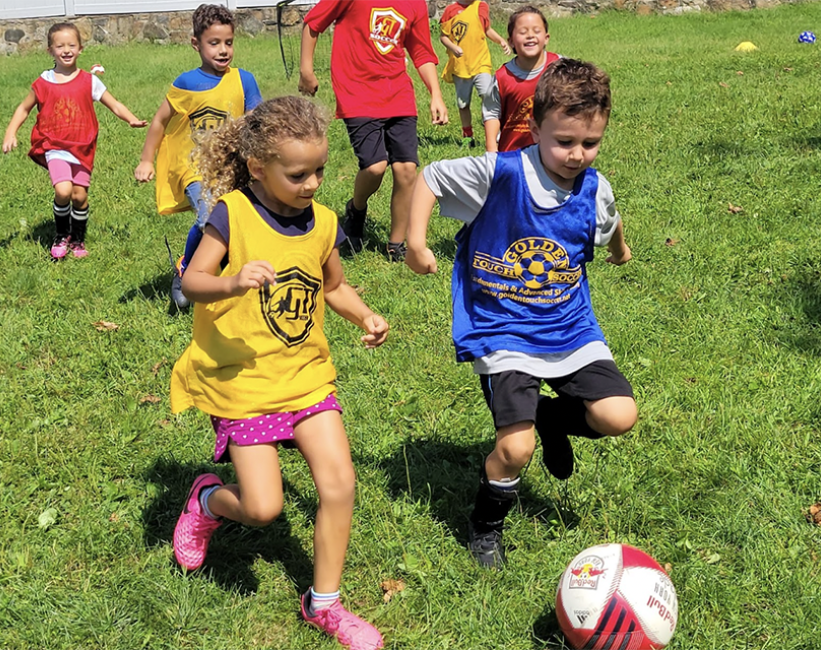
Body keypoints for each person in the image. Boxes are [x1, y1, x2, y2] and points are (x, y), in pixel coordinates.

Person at [170, 96, 388, 650]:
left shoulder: (325, 222)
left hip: (307, 374)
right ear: (259, 166)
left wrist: (363, 312)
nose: (314, 183)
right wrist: (232, 280)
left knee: (339, 485)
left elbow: (333, 284)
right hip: (244, 381)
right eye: (299, 174)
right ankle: (206, 501)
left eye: (320, 169)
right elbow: (192, 283)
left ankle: (324, 605)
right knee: (263, 508)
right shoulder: (232, 214)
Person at [405, 59, 637, 568]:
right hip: (501, 328)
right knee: (514, 450)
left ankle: (551, 417)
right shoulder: (501, 173)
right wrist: (416, 243)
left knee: (619, 415)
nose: (578, 154)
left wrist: (619, 249)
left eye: (591, 143)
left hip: (569, 324)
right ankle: (485, 527)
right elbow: (430, 178)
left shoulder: (594, 187)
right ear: (534, 127)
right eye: (565, 141)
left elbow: (610, 217)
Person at [298, 0, 449, 262]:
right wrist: (306, 71)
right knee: (375, 166)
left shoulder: (415, 4)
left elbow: (421, 52)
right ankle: (356, 210)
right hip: (356, 92)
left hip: (399, 94)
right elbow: (313, 23)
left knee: (406, 170)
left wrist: (436, 94)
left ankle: (396, 243)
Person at [135, 4, 262, 311]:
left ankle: (225, 278)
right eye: (214, 43)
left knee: (235, 222)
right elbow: (159, 122)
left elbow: (258, 121)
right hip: (194, 168)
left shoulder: (244, 81)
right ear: (196, 43)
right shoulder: (186, 83)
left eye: (228, 42)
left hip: (232, 169)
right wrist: (146, 160)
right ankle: (187, 270)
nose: (223, 50)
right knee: (209, 218)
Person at [2, 22, 146, 260]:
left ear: (80, 49)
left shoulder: (90, 81)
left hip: (83, 147)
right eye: (60, 46)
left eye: (71, 45)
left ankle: (77, 239)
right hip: (54, 145)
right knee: (63, 189)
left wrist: (130, 119)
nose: (66, 50)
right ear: (50, 51)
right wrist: (10, 132)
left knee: (79, 197)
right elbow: (23, 108)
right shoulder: (43, 82)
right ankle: (61, 235)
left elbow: (114, 103)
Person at [483, 5, 559, 153]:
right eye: (523, 32)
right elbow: (491, 113)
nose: (530, 35)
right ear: (511, 41)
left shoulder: (560, 67)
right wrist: (492, 149)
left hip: (552, 153)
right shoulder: (502, 77)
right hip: (512, 155)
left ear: (546, 38)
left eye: (536, 31)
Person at [439, 0, 510, 148]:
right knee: (463, 104)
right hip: (461, 66)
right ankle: (467, 136)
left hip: (481, 62)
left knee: (488, 94)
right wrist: (453, 47)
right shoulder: (450, 11)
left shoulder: (481, 6)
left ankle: (495, 134)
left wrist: (500, 40)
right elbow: (443, 36)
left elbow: (487, 29)